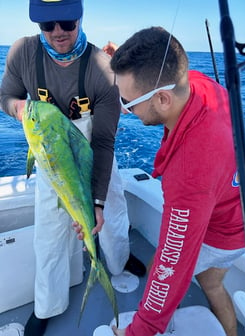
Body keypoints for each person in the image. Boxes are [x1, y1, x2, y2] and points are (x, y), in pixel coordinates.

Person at [0, 1, 146, 335]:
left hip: (92, 146)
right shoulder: (22, 52)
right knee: (49, 232)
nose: (57, 33)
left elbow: (104, 141)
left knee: (111, 212)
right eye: (46, 24)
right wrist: (19, 107)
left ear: (79, 18)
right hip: (50, 153)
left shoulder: (101, 67)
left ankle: (118, 261)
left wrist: (95, 202)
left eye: (66, 22)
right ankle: (48, 305)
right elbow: (6, 96)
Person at [100, 26, 245, 336]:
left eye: (128, 102)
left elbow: (172, 267)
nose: (125, 109)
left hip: (225, 230)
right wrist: (128, 72)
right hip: (238, 201)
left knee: (161, 267)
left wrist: (136, 331)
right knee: (210, 281)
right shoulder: (195, 82)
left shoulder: (189, 174)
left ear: (163, 99)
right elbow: (161, 60)